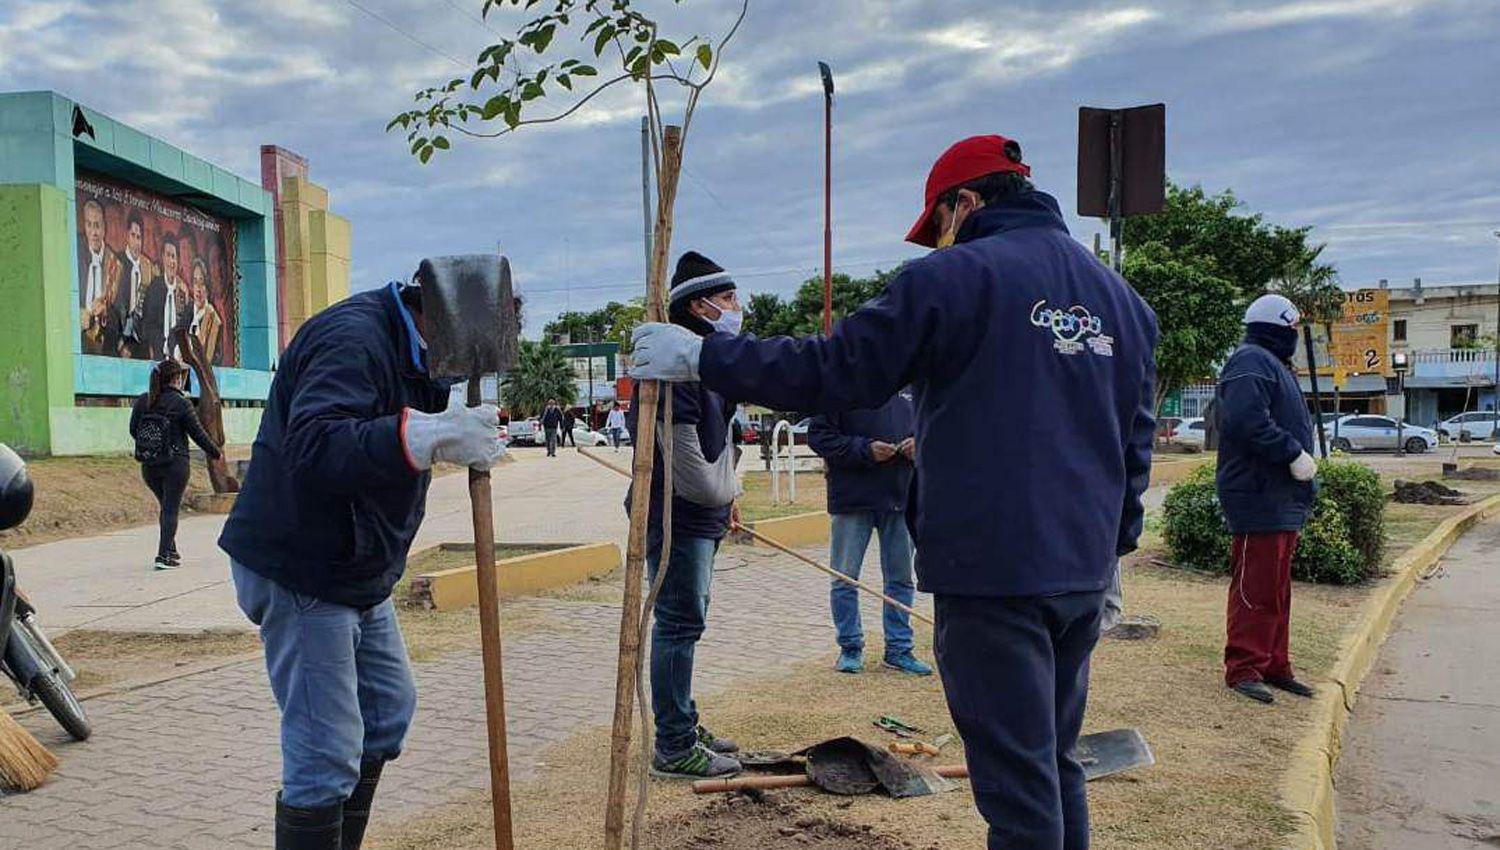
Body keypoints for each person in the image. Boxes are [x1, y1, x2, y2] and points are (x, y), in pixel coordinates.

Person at [630, 135, 1158, 848]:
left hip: (991, 570)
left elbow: (836, 370)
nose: (938, 245)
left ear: (964, 203)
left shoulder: (953, 279)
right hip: (1082, 571)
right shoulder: (1122, 301)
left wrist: (705, 355)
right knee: (1054, 760)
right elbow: (1136, 444)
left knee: (1017, 782)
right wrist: (1111, 544)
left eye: (937, 227)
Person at [219, 277, 504, 849]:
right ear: (443, 316)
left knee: (386, 712)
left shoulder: (419, 351)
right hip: (304, 564)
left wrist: (451, 425)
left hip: (357, 566)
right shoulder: (352, 340)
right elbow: (315, 445)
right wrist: (429, 434)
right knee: (325, 754)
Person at [626, 250, 745, 780]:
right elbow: (693, 476)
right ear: (700, 306)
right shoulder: (674, 368)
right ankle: (673, 745)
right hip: (675, 517)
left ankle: (682, 721)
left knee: (685, 621)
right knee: (679, 623)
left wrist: (730, 499)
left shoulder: (704, 360)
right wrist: (727, 490)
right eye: (728, 298)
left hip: (700, 518)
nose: (738, 307)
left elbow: (718, 448)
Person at [1215, 294, 1318, 705]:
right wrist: (1290, 451)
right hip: (1257, 493)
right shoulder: (1251, 361)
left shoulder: (1273, 364)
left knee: (1276, 588)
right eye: (1292, 330)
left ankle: (1275, 662)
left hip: (1280, 497)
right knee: (1254, 586)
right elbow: (1245, 420)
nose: (1294, 337)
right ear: (1279, 327)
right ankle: (1244, 665)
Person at [808, 390, 932, 676]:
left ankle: (899, 648)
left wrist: (921, 444)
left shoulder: (914, 385)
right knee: (844, 577)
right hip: (852, 500)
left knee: (900, 579)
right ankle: (850, 648)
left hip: (901, 497)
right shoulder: (840, 385)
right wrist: (864, 450)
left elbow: (934, 426)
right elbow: (819, 437)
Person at [129, 359, 222, 570]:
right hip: (175, 465)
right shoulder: (181, 403)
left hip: (149, 465)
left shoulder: (144, 400)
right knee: (170, 508)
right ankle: (163, 556)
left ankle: (170, 550)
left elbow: (133, 429)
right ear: (177, 378)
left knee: (166, 507)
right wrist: (215, 452)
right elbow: (198, 434)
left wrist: (153, 445)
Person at [113, 213, 159, 359]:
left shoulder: (148, 267)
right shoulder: (117, 261)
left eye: (139, 237)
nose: (136, 242)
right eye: (133, 236)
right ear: (127, 236)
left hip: (140, 335)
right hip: (120, 332)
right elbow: (115, 302)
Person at [79, 197, 121, 355]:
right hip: (77, 347)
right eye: (89, 225)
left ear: (104, 228)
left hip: (105, 351)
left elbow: (120, 319)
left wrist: (106, 312)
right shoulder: (75, 252)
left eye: (97, 225)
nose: (93, 232)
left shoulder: (116, 265)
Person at [154, 234, 191, 360]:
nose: (171, 261)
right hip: (157, 356)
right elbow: (148, 325)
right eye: (168, 256)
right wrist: (160, 345)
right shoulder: (154, 287)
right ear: (163, 257)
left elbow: (186, 327)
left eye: (174, 257)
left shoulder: (183, 293)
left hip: (178, 357)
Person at [188, 257, 224, 363]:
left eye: (202, 283)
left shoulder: (214, 320)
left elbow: (215, 361)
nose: (198, 289)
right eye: (195, 282)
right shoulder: (188, 312)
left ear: (207, 287)